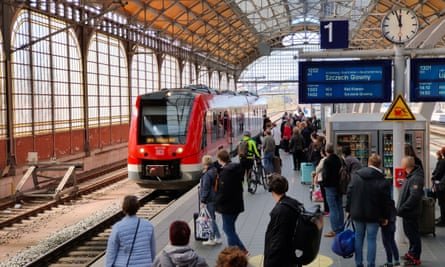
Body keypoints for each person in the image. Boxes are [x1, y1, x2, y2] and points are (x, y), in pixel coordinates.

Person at [346, 154, 392, 267]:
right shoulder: (382, 179)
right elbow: (386, 201)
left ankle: (358, 263)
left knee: (358, 237)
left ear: (368, 163)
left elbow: (349, 193)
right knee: (372, 239)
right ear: (379, 164)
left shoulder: (357, 175)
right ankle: (371, 264)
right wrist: (386, 216)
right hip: (374, 215)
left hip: (358, 212)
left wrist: (348, 209)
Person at [106, 195, 156, 267]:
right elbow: (152, 250)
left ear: (124, 209)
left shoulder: (118, 227)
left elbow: (111, 252)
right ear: (137, 208)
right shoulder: (148, 225)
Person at [264, 174, 301, 267]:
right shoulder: (293, 203)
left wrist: (269, 261)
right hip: (292, 252)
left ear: (271, 190)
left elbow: (278, 239)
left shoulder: (280, 211)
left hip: (282, 257)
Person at [215, 149, 248, 255]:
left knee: (228, 230)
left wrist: (216, 203)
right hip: (237, 203)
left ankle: (233, 253)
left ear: (220, 159)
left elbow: (224, 192)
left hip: (228, 206)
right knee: (230, 229)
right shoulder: (236, 169)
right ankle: (241, 250)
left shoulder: (226, 173)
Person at [398, 156, 424, 266]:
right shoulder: (411, 176)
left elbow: (414, 197)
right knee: (409, 233)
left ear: (406, 165)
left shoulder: (416, 178)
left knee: (413, 234)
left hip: (410, 212)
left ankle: (415, 257)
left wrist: (403, 208)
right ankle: (411, 252)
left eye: (402, 163)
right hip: (407, 212)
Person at [199, 155, 222, 245]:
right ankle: (217, 237)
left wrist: (203, 200)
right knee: (212, 218)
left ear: (205, 163)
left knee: (210, 219)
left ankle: (212, 239)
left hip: (209, 199)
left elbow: (206, 188)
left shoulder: (208, 174)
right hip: (214, 197)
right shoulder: (214, 170)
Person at [322, 143, 343, 238]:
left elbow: (326, 176)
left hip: (330, 186)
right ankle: (341, 227)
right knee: (339, 207)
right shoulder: (338, 159)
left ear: (326, 151)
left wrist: (322, 183)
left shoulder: (327, 161)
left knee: (333, 208)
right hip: (339, 186)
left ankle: (335, 230)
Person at [381, 199, 400, 267]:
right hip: (392, 223)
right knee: (392, 241)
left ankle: (389, 262)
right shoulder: (391, 202)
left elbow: (384, 212)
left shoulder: (384, 202)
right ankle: (397, 260)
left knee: (386, 243)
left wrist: (382, 220)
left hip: (386, 224)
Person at [313, 147, 329, 215]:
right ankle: (327, 209)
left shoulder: (323, 160)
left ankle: (326, 210)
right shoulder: (328, 159)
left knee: (324, 195)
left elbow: (318, 169)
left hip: (322, 179)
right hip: (327, 179)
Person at [432, 148, 445, 226]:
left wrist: (434, 177)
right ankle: (443, 218)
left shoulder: (443, 162)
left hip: (442, 185)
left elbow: (438, 172)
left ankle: (443, 220)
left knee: (442, 203)